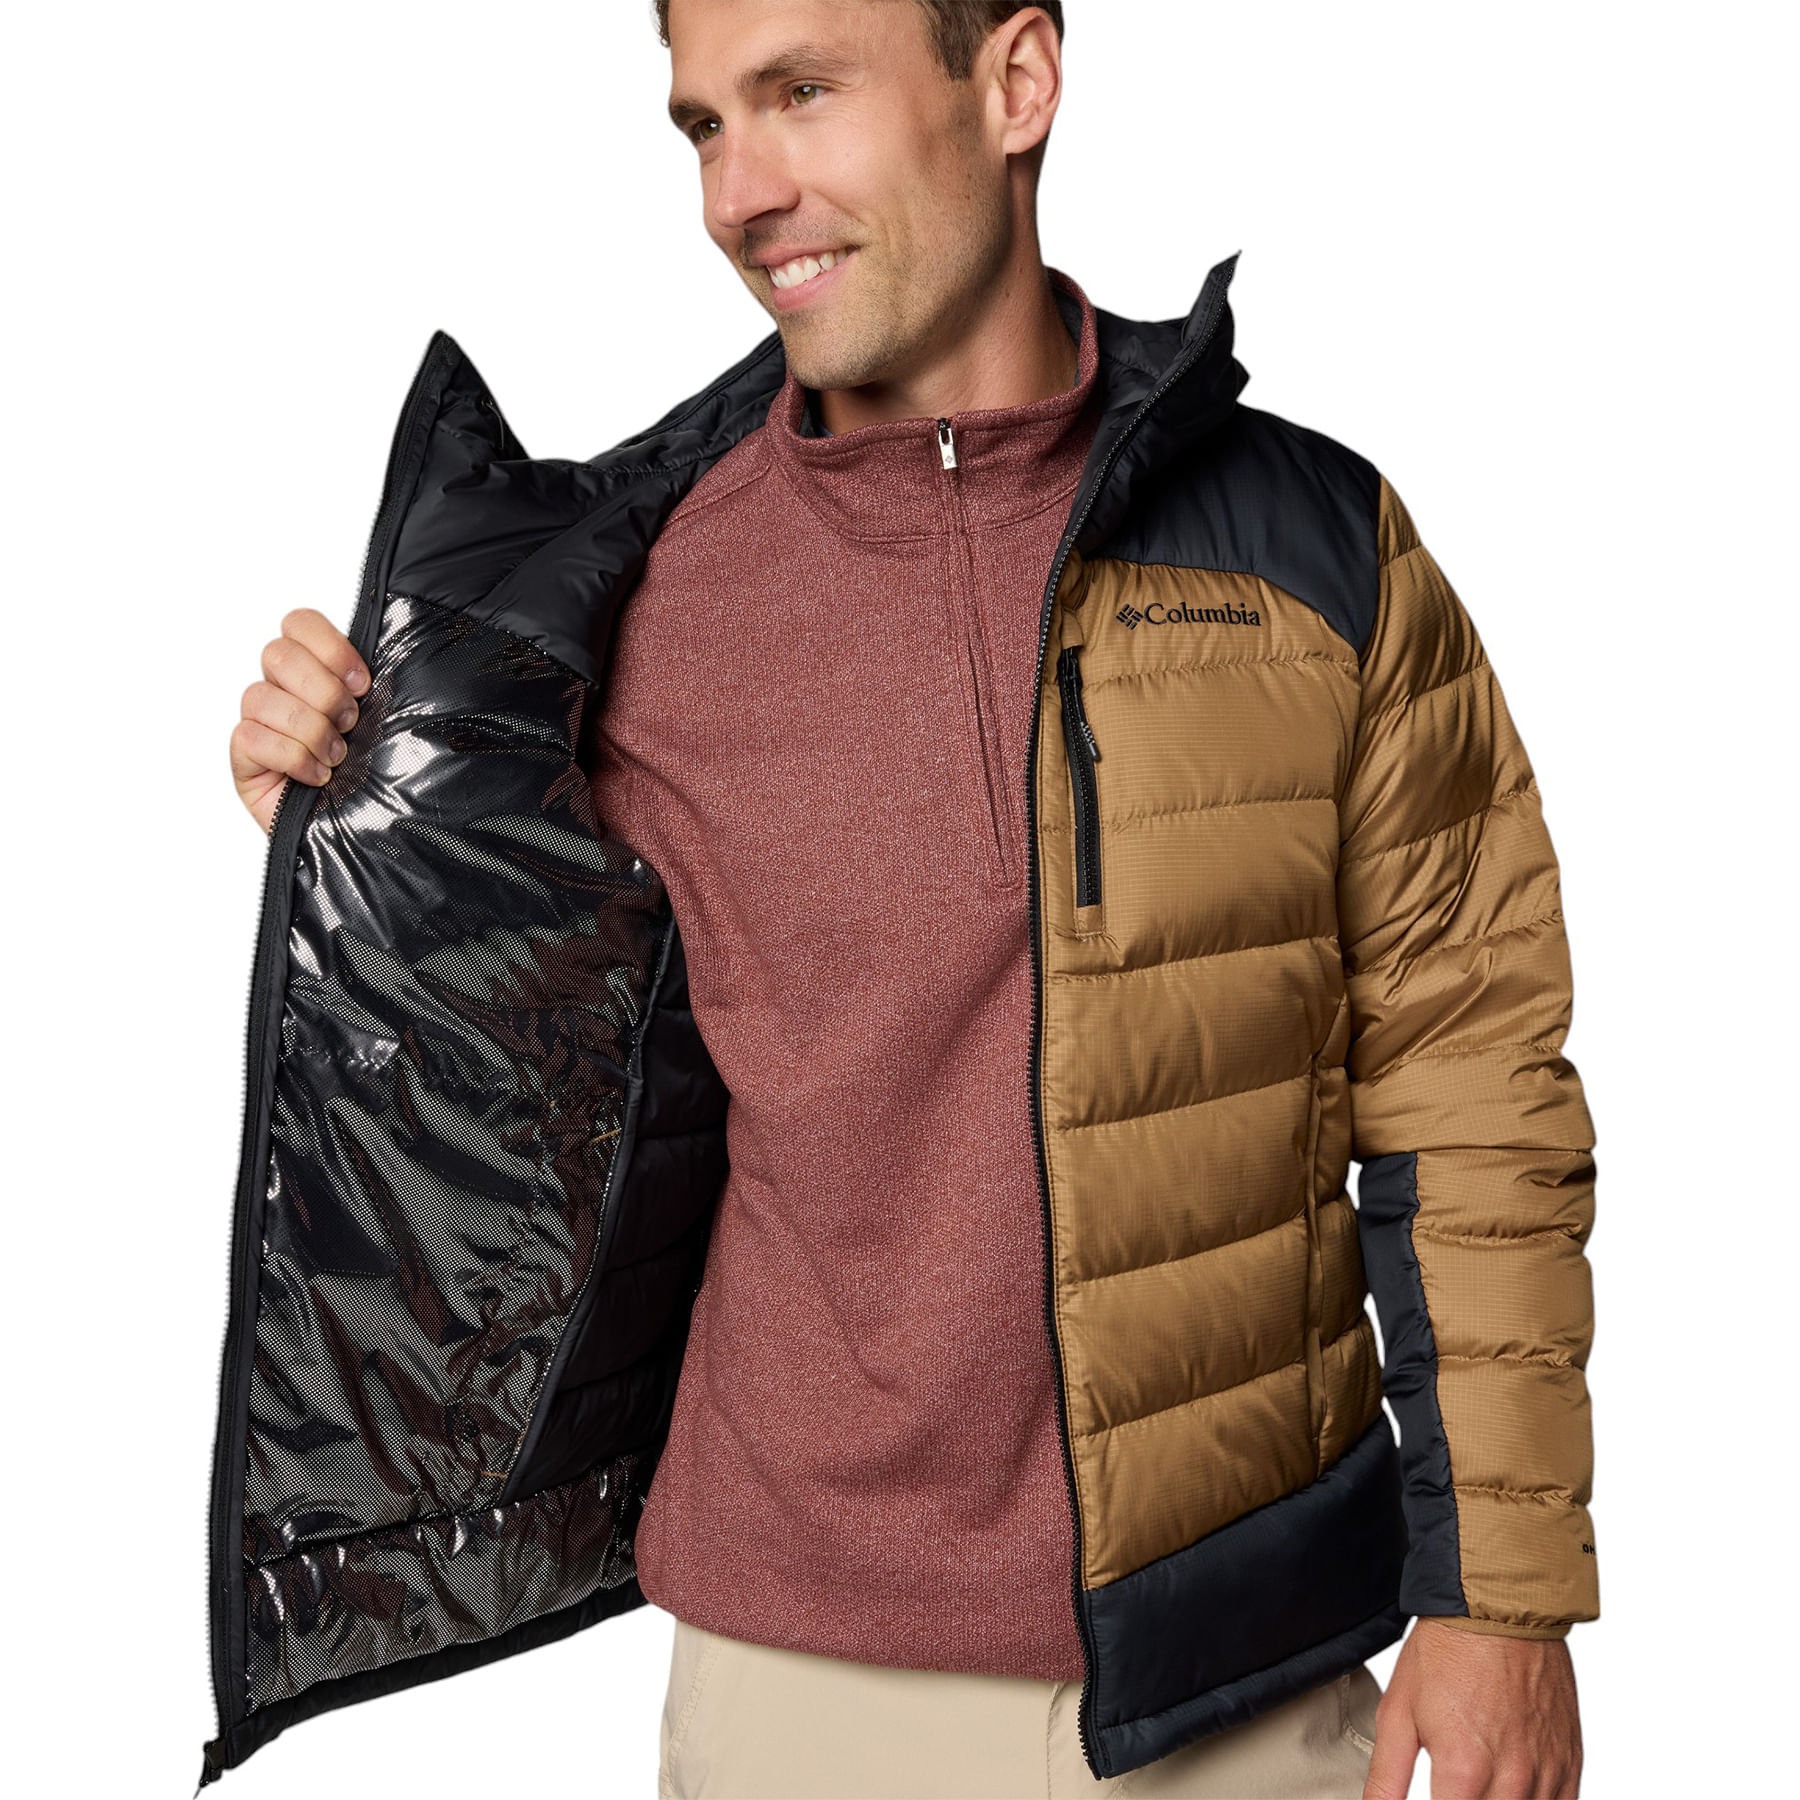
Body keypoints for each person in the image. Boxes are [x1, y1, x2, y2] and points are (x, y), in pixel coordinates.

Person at [219, 4, 1596, 1796]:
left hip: (1242, 1679)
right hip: (790, 1684)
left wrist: (1504, 1603)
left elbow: (1474, 1088)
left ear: (1015, 84)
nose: (740, 190)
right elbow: (503, 1110)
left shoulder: (1316, 550)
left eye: (802, 93)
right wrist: (360, 832)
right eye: (704, 125)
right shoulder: (627, 596)